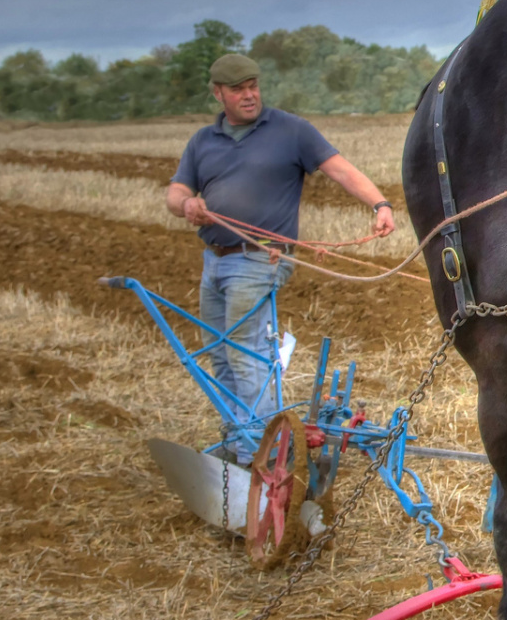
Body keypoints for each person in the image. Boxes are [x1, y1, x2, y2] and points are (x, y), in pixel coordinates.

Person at [165, 53, 395, 421]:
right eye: (238, 89)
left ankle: (264, 450)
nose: (249, 95)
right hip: (214, 258)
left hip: (261, 258)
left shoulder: (291, 130)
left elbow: (341, 171)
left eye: (253, 86)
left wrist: (380, 204)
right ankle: (239, 438)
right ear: (217, 94)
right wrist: (187, 204)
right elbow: (175, 192)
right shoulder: (202, 141)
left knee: (245, 350)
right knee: (219, 351)